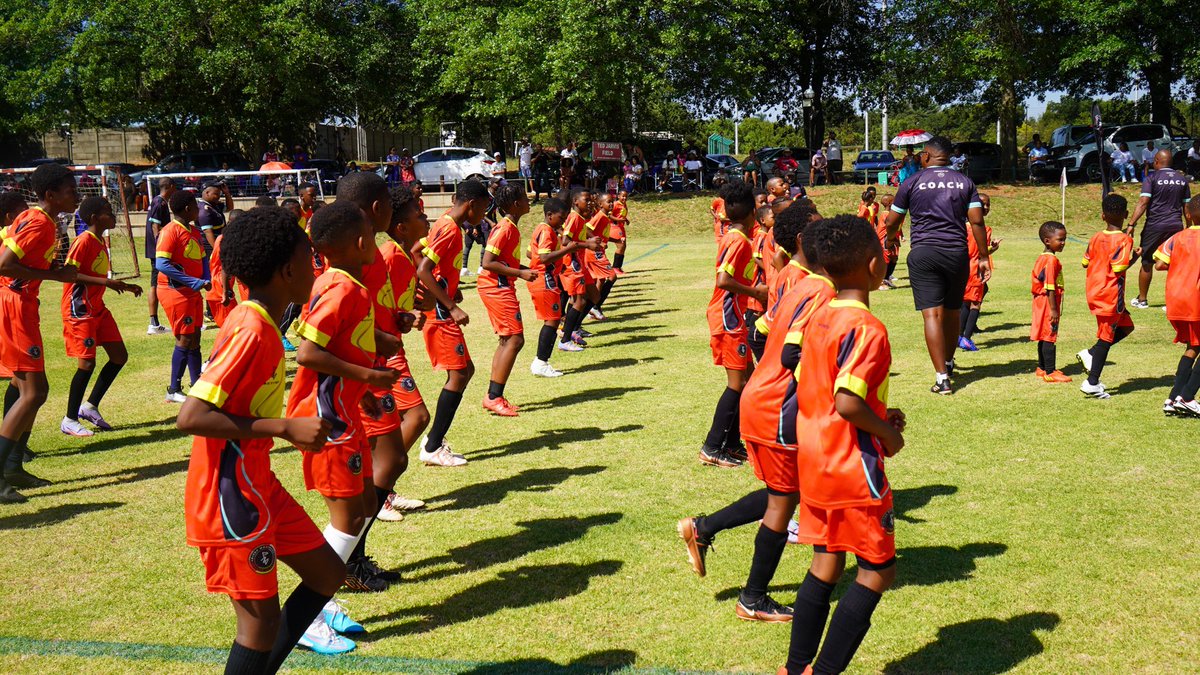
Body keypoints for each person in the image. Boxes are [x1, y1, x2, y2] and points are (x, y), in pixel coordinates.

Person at [178, 205, 354, 668]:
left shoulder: (265, 325)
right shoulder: (252, 328)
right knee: (258, 625)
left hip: (259, 483)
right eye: (311, 260)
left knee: (326, 573)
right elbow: (192, 416)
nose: (317, 270)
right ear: (287, 270)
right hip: (229, 495)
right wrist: (284, 427)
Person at [678, 203, 827, 619]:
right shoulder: (811, 286)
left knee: (787, 493)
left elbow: (765, 330)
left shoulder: (793, 278)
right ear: (802, 241)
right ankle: (753, 598)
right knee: (784, 501)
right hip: (777, 403)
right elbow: (793, 350)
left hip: (767, 397)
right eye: (821, 231)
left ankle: (703, 529)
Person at [780, 214, 905, 675]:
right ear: (875, 265)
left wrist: (880, 411)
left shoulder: (819, 316)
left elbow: (822, 387)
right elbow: (848, 401)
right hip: (852, 466)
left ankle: (795, 669)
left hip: (814, 461)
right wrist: (887, 433)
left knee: (826, 564)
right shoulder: (868, 327)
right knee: (877, 570)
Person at [287, 200, 399, 613]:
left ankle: (322, 590)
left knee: (366, 506)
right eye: (370, 234)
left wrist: (361, 384)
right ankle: (311, 611)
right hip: (326, 418)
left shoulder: (338, 282)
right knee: (349, 517)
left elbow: (337, 342)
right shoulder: (341, 286)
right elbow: (308, 353)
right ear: (359, 241)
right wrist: (369, 376)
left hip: (345, 410)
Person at [883, 135, 988, 395]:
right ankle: (950, 362)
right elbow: (976, 221)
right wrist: (984, 256)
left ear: (927, 156)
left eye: (921, 153)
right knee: (952, 312)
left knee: (932, 315)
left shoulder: (912, 181)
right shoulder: (965, 182)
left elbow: (892, 221)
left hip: (924, 253)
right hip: (956, 253)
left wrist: (891, 240)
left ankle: (942, 378)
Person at [0, 163, 79, 500]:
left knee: (29, 388)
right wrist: (55, 276)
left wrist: (52, 269)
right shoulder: (37, 222)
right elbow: (4, 264)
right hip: (15, 305)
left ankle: (14, 467)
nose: (75, 196)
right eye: (71, 191)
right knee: (33, 393)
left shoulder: (43, 221)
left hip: (21, 304)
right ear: (51, 196)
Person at [416, 179, 490, 466]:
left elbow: (415, 251)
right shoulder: (448, 229)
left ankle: (434, 441)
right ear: (472, 205)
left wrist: (447, 286)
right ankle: (433, 447)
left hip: (441, 310)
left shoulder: (445, 223)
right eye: (483, 209)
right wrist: (450, 304)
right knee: (459, 375)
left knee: (465, 371)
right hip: (442, 316)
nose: (484, 215)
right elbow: (424, 268)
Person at [371, 186, 433, 522]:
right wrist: (402, 319)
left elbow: (391, 306)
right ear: (401, 226)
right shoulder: (391, 256)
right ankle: (378, 486)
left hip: (393, 344)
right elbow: (371, 305)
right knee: (418, 416)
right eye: (418, 214)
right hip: (385, 351)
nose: (425, 218)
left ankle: (384, 488)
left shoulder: (404, 254)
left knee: (398, 422)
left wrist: (407, 314)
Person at [59, 196, 143, 437]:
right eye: (108, 212)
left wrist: (125, 287)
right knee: (87, 363)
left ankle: (90, 406)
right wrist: (107, 281)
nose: (113, 215)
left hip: (97, 308)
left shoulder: (100, 241)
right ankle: (69, 419)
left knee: (119, 356)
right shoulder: (83, 241)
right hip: (79, 309)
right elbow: (70, 275)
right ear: (95, 217)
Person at [700, 181, 766, 468]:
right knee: (737, 384)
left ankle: (732, 443)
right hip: (728, 319)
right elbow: (723, 280)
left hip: (734, 317)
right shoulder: (737, 240)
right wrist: (756, 292)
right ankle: (712, 447)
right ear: (751, 210)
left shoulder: (739, 237)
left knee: (747, 380)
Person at [477, 183, 536, 416]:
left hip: (500, 285)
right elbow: (488, 262)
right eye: (524, 197)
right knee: (515, 340)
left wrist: (523, 269)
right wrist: (521, 273)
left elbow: (503, 262)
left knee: (507, 340)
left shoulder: (510, 226)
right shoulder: (505, 228)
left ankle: (493, 395)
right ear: (515, 204)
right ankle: (494, 396)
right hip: (496, 287)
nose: (528, 200)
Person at [1077, 193, 1139, 399]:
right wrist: (1135, 258)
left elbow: (1085, 262)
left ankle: (1092, 353)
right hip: (1110, 296)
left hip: (1094, 291)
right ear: (1126, 214)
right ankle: (1092, 382)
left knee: (1127, 327)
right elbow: (1119, 267)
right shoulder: (1124, 240)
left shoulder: (1095, 237)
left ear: (1102, 216)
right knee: (1106, 337)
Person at [156, 190, 210, 403]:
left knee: (195, 335)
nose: (199, 210)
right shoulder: (170, 231)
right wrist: (193, 281)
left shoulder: (195, 231)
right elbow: (162, 264)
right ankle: (173, 389)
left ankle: (196, 383)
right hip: (175, 291)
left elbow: (203, 258)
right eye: (196, 206)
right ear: (188, 209)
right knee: (185, 337)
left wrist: (205, 278)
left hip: (194, 291)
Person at [1126, 148, 1191, 308]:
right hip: (1176, 226)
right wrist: (1189, 229)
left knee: (1147, 261)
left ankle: (1142, 300)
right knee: (1174, 264)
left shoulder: (1152, 177)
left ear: (1156, 161)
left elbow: (1143, 202)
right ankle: (1172, 301)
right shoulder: (1182, 179)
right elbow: (1187, 208)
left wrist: (1131, 223)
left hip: (1154, 226)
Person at [1153, 199, 1200, 415]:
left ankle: (1172, 399)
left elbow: (1160, 263)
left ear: (1188, 214)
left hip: (1177, 300)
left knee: (1193, 346)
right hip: (1196, 299)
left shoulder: (1177, 237)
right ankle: (1188, 397)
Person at [526, 198, 579, 378]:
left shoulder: (545, 229)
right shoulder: (546, 230)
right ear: (549, 215)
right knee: (551, 320)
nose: (564, 222)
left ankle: (541, 362)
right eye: (561, 217)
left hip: (547, 277)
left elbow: (531, 252)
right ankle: (541, 362)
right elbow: (543, 258)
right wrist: (566, 250)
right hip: (544, 279)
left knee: (553, 320)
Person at [558, 188, 602, 350]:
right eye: (586, 200)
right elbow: (565, 241)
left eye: (590, 199)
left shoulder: (581, 218)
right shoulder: (573, 218)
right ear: (575, 202)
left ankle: (574, 328)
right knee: (579, 301)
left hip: (580, 263)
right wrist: (588, 244)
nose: (589, 202)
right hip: (572, 264)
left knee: (595, 296)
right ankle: (565, 338)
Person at [958, 193, 999, 351]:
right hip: (975, 269)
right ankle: (966, 338)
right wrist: (991, 249)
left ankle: (960, 335)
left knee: (966, 301)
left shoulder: (962, 227)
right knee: (975, 303)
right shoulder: (982, 229)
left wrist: (990, 248)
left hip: (964, 268)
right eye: (983, 204)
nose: (986, 207)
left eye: (988, 204)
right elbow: (977, 252)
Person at [1031, 221, 1070, 382]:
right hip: (1048, 302)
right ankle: (1050, 371)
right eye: (1060, 239)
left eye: (1064, 239)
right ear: (1048, 241)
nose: (1063, 243)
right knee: (1049, 335)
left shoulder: (1043, 257)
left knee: (1043, 334)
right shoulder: (1051, 260)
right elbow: (1050, 287)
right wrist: (1054, 309)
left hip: (1040, 301)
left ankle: (1041, 367)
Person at [145, 178, 175, 335]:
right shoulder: (159, 203)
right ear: (169, 187)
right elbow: (155, 226)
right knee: (157, 285)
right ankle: (154, 323)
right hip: (158, 250)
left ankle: (154, 323)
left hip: (157, 250)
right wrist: (160, 246)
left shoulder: (160, 202)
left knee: (157, 283)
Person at [586, 192, 619, 320]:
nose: (611, 204)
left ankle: (594, 307)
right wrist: (598, 241)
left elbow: (601, 234)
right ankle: (594, 306)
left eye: (612, 201)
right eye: (608, 202)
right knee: (612, 276)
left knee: (600, 280)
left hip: (598, 252)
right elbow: (587, 228)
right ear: (600, 204)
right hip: (595, 253)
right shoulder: (599, 216)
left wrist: (612, 240)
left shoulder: (606, 216)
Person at [198, 180, 234, 254]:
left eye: (219, 194)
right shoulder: (204, 210)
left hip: (219, 243)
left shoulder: (214, 204)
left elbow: (229, 208)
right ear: (207, 193)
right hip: (209, 249)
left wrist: (227, 193)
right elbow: (208, 232)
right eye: (216, 194)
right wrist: (217, 251)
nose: (218, 196)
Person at [876, 194, 900, 287]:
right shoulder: (886, 214)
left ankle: (887, 278)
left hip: (892, 238)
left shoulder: (889, 213)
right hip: (885, 239)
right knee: (886, 259)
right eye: (894, 201)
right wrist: (892, 239)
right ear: (890, 203)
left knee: (894, 258)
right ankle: (881, 281)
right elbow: (890, 227)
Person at [610, 190, 630, 275]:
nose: (624, 198)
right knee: (620, 246)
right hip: (614, 227)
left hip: (621, 227)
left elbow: (621, 215)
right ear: (618, 196)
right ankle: (615, 267)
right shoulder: (615, 204)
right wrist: (619, 220)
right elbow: (609, 215)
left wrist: (626, 220)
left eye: (626, 196)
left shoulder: (624, 204)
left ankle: (618, 266)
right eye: (623, 196)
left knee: (623, 246)